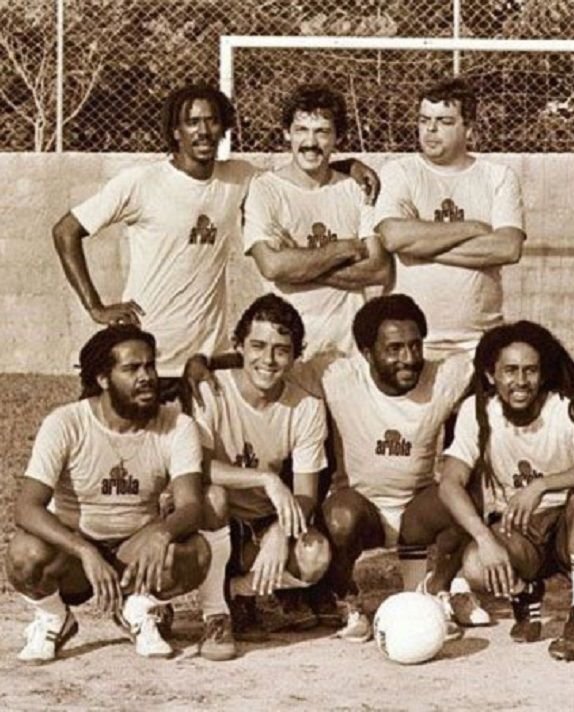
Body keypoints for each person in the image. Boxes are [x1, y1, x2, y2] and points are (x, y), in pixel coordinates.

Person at [53, 83, 380, 399]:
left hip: (204, 359)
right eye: (192, 122)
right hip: (147, 352)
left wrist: (348, 165)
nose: (203, 131)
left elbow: (299, 168)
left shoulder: (238, 177)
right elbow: (66, 231)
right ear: (175, 131)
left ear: (223, 128)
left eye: (212, 121)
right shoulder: (141, 182)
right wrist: (95, 306)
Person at [5, 326, 210, 664]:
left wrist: (162, 532)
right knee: (23, 554)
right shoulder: (66, 423)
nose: (146, 377)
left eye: (150, 366)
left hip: (134, 552)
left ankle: (137, 610)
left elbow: (191, 506)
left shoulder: (177, 425)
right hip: (74, 558)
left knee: (196, 553)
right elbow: (26, 508)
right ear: (103, 379)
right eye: (131, 369)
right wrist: (84, 550)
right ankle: (54, 618)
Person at [292, 294, 490, 642]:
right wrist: (205, 363)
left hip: (417, 511)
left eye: (415, 346)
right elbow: (266, 366)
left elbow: (508, 355)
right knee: (340, 517)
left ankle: (439, 591)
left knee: (461, 495)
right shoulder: (337, 375)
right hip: (362, 510)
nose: (409, 358)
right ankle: (347, 601)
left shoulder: (444, 375)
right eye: (394, 349)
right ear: (367, 353)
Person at [438, 320, 574, 661]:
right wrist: (484, 538)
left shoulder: (567, 406)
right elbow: (449, 484)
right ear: (490, 375)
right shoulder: (478, 412)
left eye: (530, 370)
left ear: (542, 373)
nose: (521, 381)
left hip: (570, 524)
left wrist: (542, 485)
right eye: (510, 370)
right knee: (475, 565)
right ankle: (526, 593)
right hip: (519, 530)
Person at [191, 294, 332, 648]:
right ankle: (215, 612)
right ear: (238, 346)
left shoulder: (307, 405)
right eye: (258, 346)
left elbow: (306, 494)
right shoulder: (210, 389)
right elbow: (197, 467)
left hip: (259, 523)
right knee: (212, 496)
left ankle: (240, 593)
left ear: (295, 356)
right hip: (212, 521)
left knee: (315, 555)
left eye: (281, 350)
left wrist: (279, 532)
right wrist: (266, 479)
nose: (268, 360)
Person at [374, 76, 526, 367]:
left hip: (480, 341)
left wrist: (418, 245)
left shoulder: (498, 177)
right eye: (424, 120)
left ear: (469, 129)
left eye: (444, 121)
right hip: (412, 343)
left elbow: (507, 248)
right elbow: (393, 237)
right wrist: (472, 228)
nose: (430, 129)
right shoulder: (399, 172)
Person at [242, 83, 392, 358]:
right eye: (301, 130)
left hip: (348, 352)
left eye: (322, 131)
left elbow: (379, 271)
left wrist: (299, 262)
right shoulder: (265, 190)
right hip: (288, 353)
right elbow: (273, 267)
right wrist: (344, 249)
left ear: (338, 137)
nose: (310, 142)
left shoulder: (356, 188)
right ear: (286, 133)